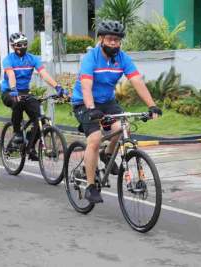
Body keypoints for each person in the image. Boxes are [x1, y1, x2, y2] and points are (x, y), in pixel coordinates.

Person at [71, 20, 162, 203]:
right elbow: (86, 87)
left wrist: (152, 105)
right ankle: (90, 186)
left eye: (117, 40)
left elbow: (137, 81)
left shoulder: (123, 58)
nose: (114, 43)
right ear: (102, 39)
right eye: (110, 39)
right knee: (95, 139)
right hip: (84, 102)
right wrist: (91, 108)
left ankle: (107, 154)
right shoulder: (91, 58)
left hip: (107, 101)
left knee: (122, 126)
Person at [0, 32, 67, 161]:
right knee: (17, 102)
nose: (23, 47)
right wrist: (14, 90)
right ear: (13, 46)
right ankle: (17, 133)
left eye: (25, 44)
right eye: (19, 45)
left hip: (25, 91)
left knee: (40, 119)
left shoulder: (33, 58)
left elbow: (44, 74)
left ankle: (30, 147)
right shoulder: (8, 59)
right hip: (9, 91)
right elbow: (11, 75)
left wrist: (57, 87)